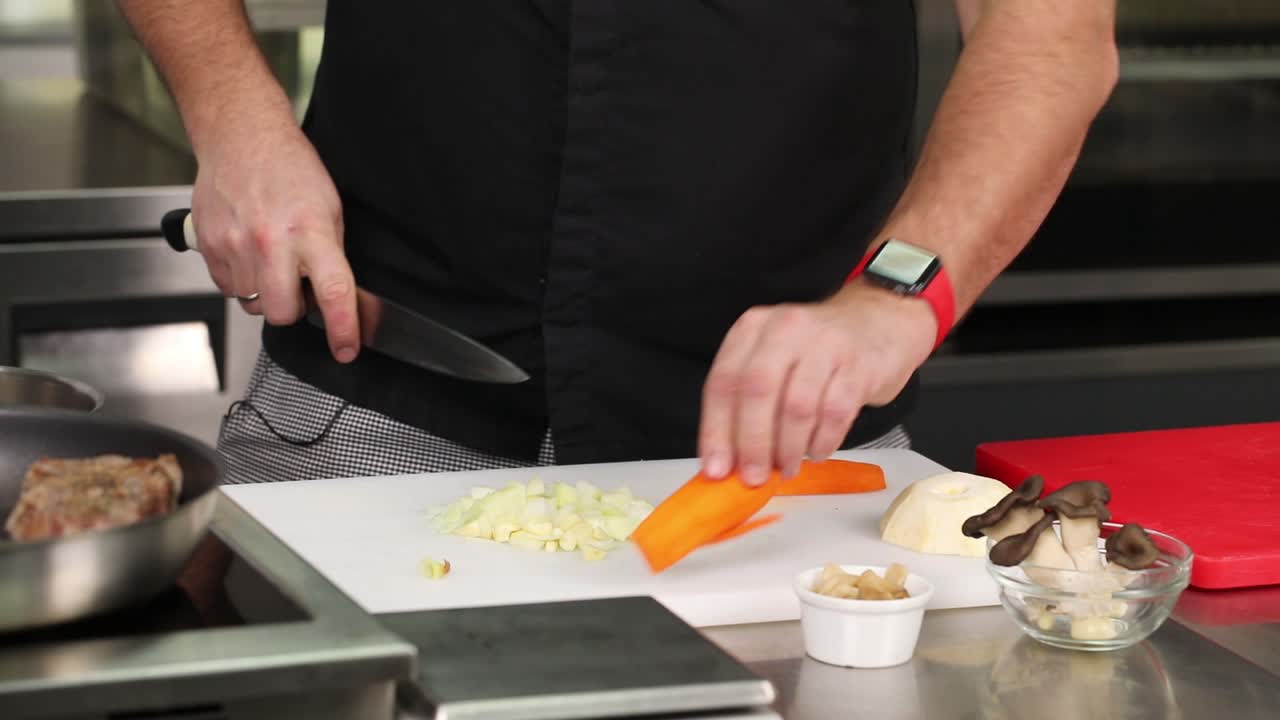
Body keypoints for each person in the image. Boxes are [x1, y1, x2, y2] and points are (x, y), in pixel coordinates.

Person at [120, 1, 1118, 486]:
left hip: (784, 457)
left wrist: (896, 294)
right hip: (371, 397)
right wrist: (234, 117)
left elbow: (1048, 34)